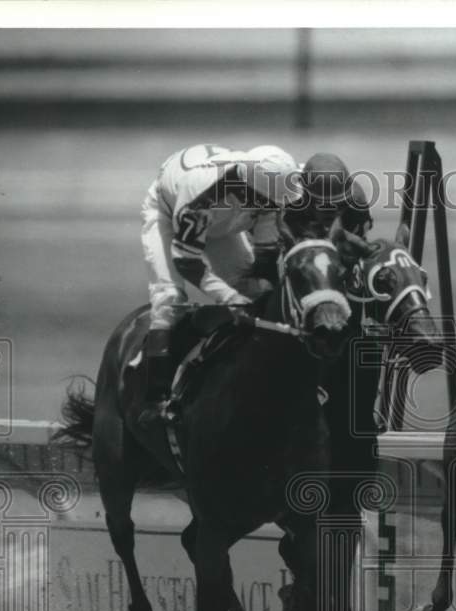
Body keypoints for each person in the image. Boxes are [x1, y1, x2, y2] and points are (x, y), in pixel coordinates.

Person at [138, 143, 301, 425]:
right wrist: (228, 298)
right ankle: (155, 401)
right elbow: (187, 260)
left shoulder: (266, 185)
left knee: (255, 291)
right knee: (170, 300)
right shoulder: (201, 195)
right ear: (251, 191)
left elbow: (264, 263)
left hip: (222, 219)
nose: (276, 208)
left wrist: (264, 298)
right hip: (169, 214)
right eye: (271, 202)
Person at [283, 152, 373, 246]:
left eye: (341, 204)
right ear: (306, 199)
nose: (333, 212)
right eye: (325, 206)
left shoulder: (357, 206)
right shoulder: (288, 201)